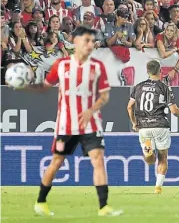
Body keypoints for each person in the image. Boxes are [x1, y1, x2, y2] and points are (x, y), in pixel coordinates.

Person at [26, 26, 123, 216]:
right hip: (66, 126)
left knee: (98, 160)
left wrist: (91, 110)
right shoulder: (61, 65)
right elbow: (45, 87)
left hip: (91, 124)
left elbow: (104, 96)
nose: (90, 45)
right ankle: (41, 201)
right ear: (75, 41)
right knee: (56, 161)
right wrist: (25, 85)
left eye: (92, 41)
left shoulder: (97, 67)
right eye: (86, 40)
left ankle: (103, 207)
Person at [126, 60, 179, 194]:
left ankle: (148, 152)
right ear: (160, 71)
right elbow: (173, 110)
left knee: (149, 160)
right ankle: (158, 187)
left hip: (144, 126)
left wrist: (134, 122)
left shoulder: (137, 87)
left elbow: (129, 107)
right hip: (160, 125)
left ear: (147, 71)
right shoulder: (164, 87)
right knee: (162, 158)